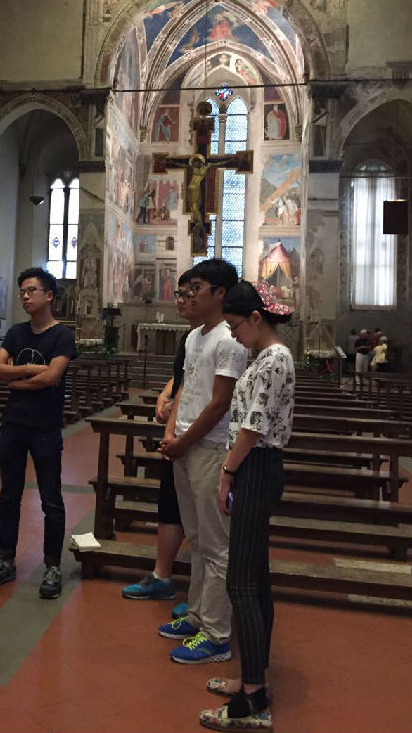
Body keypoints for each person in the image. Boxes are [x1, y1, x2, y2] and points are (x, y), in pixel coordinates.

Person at [199, 280, 294, 733]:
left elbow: (253, 427)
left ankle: (253, 698)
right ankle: (253, 677)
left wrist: (227, 473)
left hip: (255, 467)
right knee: (254, 579)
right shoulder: (266, 356)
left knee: (241, 582)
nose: (234, 335)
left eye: (235, 326)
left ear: (256, 318)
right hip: (254, 467)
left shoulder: (274, 359)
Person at [157, 259, 247, 665]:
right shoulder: (195, 336)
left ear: (220, 293)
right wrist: (170, 433)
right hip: (185, 446)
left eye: (197, 287)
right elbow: (185, 389)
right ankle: (196, 616)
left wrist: (184, 442)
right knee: (196, 537)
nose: (189, 294)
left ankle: (216, 635)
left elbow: (219, 404)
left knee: (216, 544)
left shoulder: (229, 340)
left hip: (209, 447)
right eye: (188, 287)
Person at [0, 267, 76, 599]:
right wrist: (32, 369)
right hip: (14, 424)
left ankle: (52, 565)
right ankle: (5, 560)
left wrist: (18, 381)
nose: (25, 296)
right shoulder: (16, 332)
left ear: (49, 296)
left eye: (31, 290)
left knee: (51, 498)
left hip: (45, 427)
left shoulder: (62, 335)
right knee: (9, 496)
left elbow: (53, 378)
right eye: (22, 291)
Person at [122, 270, 198, 609]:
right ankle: (161, 576)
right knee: (170, 506)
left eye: (189, 292)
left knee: (200, 516)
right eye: (178, 293)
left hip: (198, 438)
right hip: (178, 434)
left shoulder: (223, 338)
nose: (180, 299)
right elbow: (180, 377)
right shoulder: (190, 338)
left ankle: (202, 596)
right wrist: (164, 395)